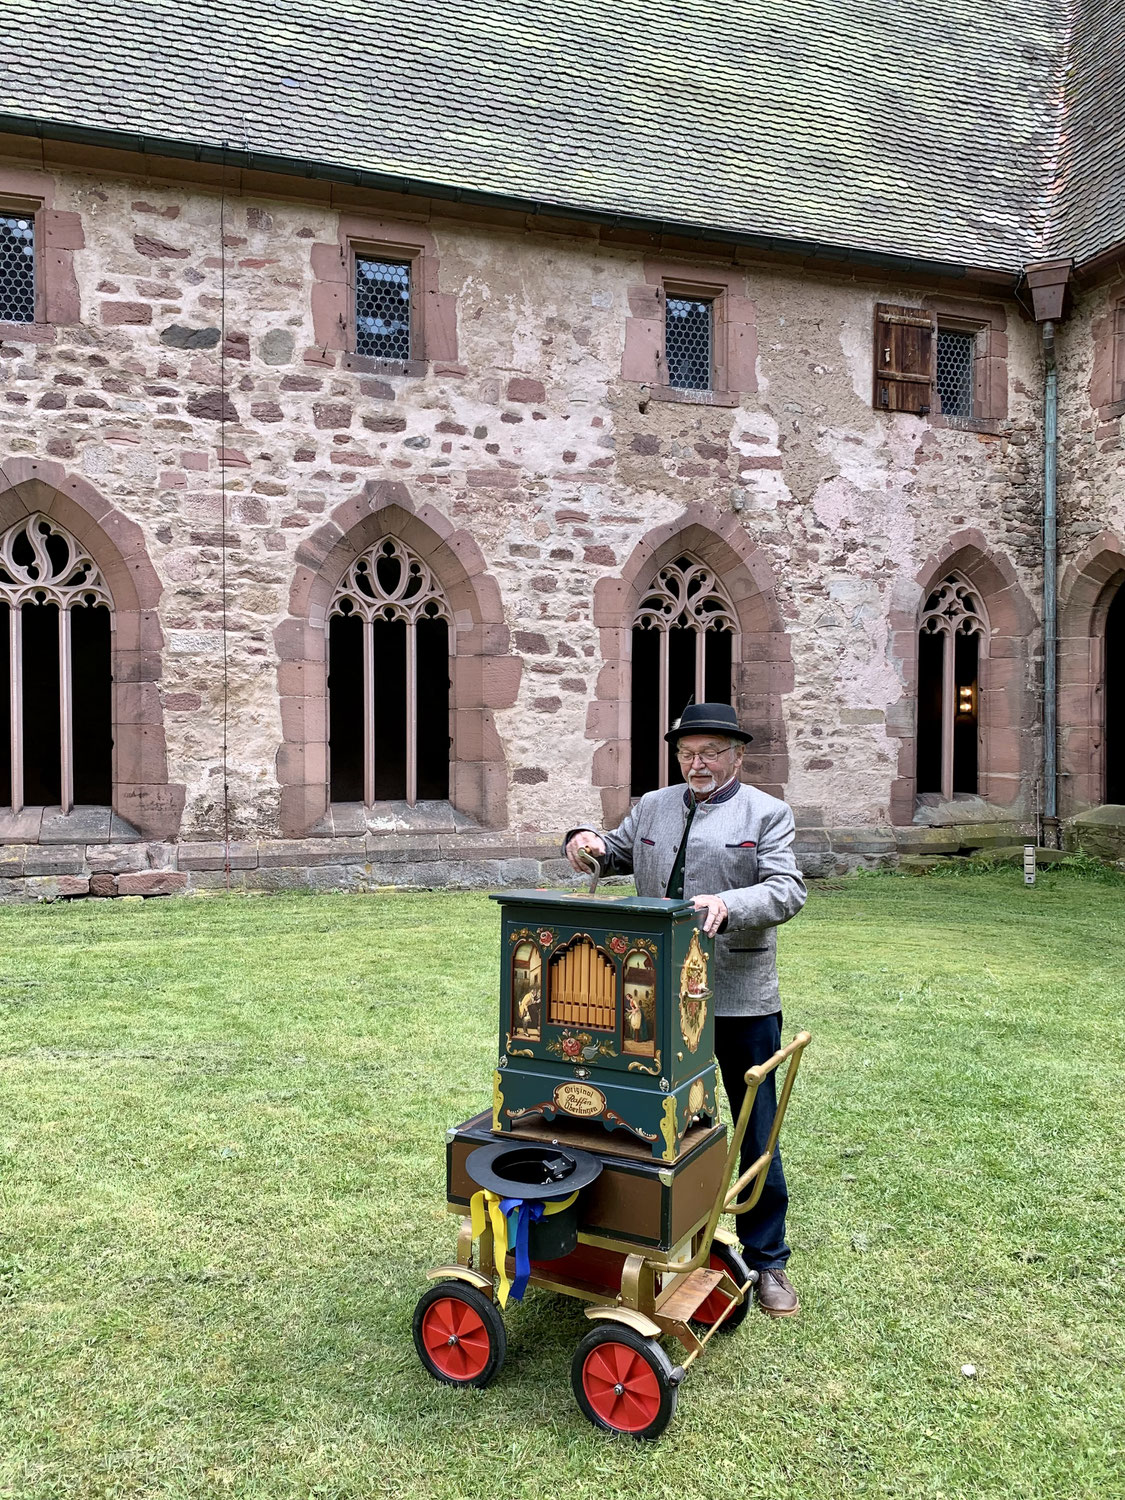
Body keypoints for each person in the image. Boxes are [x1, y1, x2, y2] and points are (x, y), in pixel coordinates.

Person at [564, 701, 807, 1316]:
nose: (697, 764)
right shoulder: (653, 805)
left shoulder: (767, 813)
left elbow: (787, 888)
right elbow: (614, 853)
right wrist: (584, 842)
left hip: (736, 997)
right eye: (687, 754)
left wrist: (730, 903)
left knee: (755, 1127)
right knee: (651, 1117)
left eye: (710, 754)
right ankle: (650, 1235)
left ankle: (768, 1259)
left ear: (736, 756)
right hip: (651, 997)